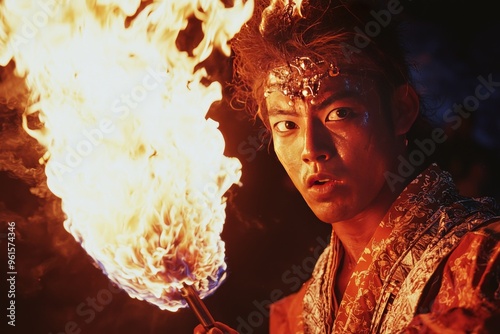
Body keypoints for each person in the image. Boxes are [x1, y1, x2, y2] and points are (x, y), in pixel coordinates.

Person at [195, 0, 500, 332]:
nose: (311, 149)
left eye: (339, 113)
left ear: (401, 110)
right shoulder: (292, 317)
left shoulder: (484, 260)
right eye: (286, 125)